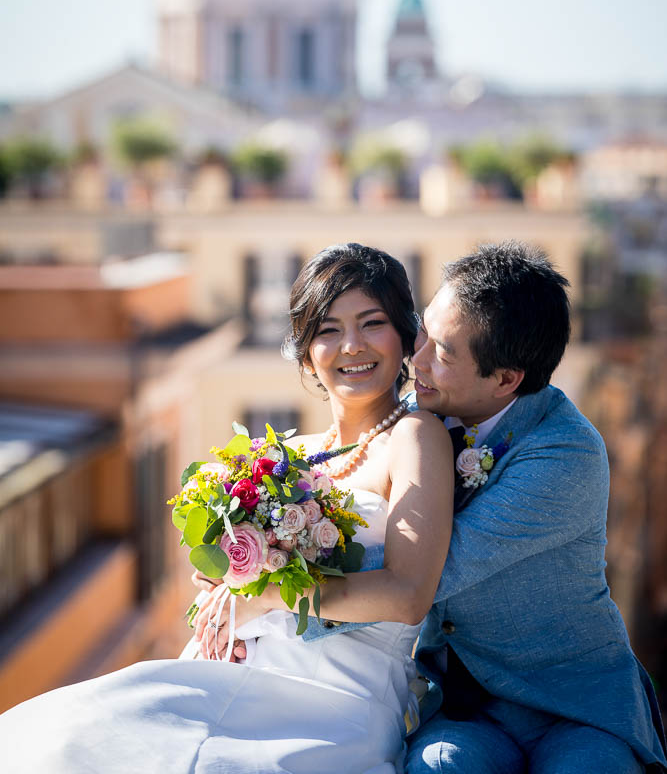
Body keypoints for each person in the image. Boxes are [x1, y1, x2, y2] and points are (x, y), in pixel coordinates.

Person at [0, 243, 453, 774]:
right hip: (236, 674)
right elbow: (245, 584)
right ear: (307, 353)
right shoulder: (289, 454)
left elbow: (407, 596)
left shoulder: (415, 436)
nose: (351, 345)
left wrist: (264, 597)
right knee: (67, 734)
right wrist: (227, 580)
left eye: (371, 323)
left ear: (405, 336)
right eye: (328, 330)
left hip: (338, 700)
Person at [225, 240, 662, 773]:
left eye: (444, 353)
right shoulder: (417, 416)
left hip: (569, 704)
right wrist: (237, 563)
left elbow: (423, 576)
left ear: (505, 379)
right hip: (462, 705)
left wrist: (267, 594)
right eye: (425, 331)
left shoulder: (564, 454)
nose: (418, 358)